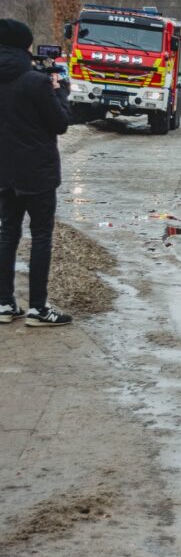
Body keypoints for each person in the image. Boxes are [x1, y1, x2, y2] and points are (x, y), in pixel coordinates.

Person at [0, 18, 73, 326]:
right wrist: (60, 91)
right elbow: (60, 123)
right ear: (24, 45)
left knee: (7, 234)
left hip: (4, 169)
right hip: (37, 171)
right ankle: (38, 308)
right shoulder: (35, 80)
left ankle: (4, 303)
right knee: (41, 236)